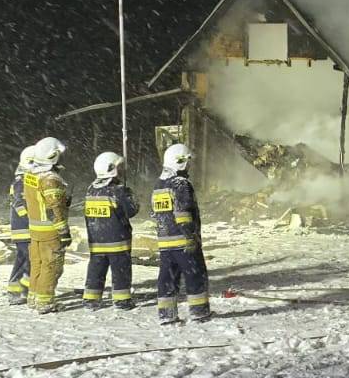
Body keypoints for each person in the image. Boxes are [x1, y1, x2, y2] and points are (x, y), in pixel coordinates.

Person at [151, 143, 211, 324]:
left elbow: (154, 214)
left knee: (167, 278)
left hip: (165, 243)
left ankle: (166, 314)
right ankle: (199, 312)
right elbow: (183, 212)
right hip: (183, 241)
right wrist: (190, 236)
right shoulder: (181, 184)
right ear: (180, 162)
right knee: (195, 275)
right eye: (187, 162)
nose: (189, 166)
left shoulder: (158, 185)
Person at [83, 151, 139, 310]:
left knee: (96, 270)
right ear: (111, 169)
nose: (122, 170)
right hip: (117, 241)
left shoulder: (91, 189)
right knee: (121, 271)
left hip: (96, 241)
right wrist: (130, 196)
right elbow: (131, 211)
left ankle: (91, 299)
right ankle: (122, 300)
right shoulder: (119, 190)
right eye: (119, 167)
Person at [22, 136, 71, 314]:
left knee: (38, 265)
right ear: (53, 156)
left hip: (35, 230)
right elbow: (54, 208)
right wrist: (64, 231)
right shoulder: (51, 179)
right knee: (51, 266)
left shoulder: (31, 175)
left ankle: (33, 298)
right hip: (50, 232)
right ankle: (45, 302)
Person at [5, 144, 37, 305]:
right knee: (24, 258)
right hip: (23, 228)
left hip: (27, 227)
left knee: (28, 259)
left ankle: (24, 288)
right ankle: (15, 290)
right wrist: (32, 217)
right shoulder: (21, 181)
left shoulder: (27, 179)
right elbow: (19, 204)